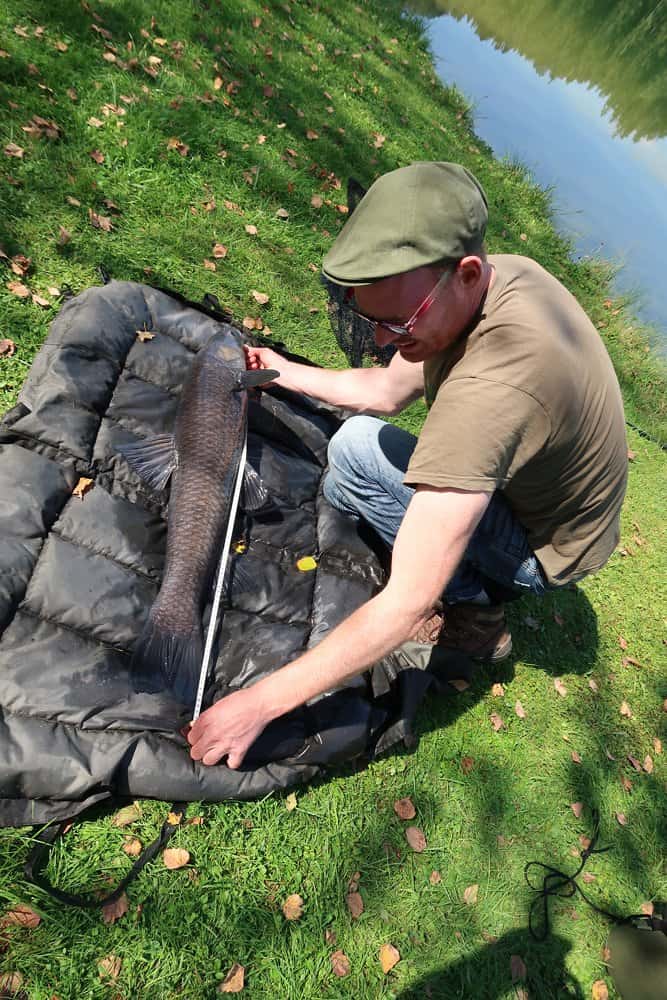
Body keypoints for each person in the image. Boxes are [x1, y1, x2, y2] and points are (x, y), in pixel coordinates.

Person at [187, 161, 627, 767]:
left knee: (354, 459)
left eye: (398, 323)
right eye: (374, 321)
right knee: (352, 457)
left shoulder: (493, 390)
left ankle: (479, 607)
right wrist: (285, 373)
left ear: (466, 273)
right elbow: (386, 392)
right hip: (552, 503)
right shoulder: (493, 280)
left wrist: (258, 704)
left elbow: (407, 602)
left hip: (544, 552)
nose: (383, 340)